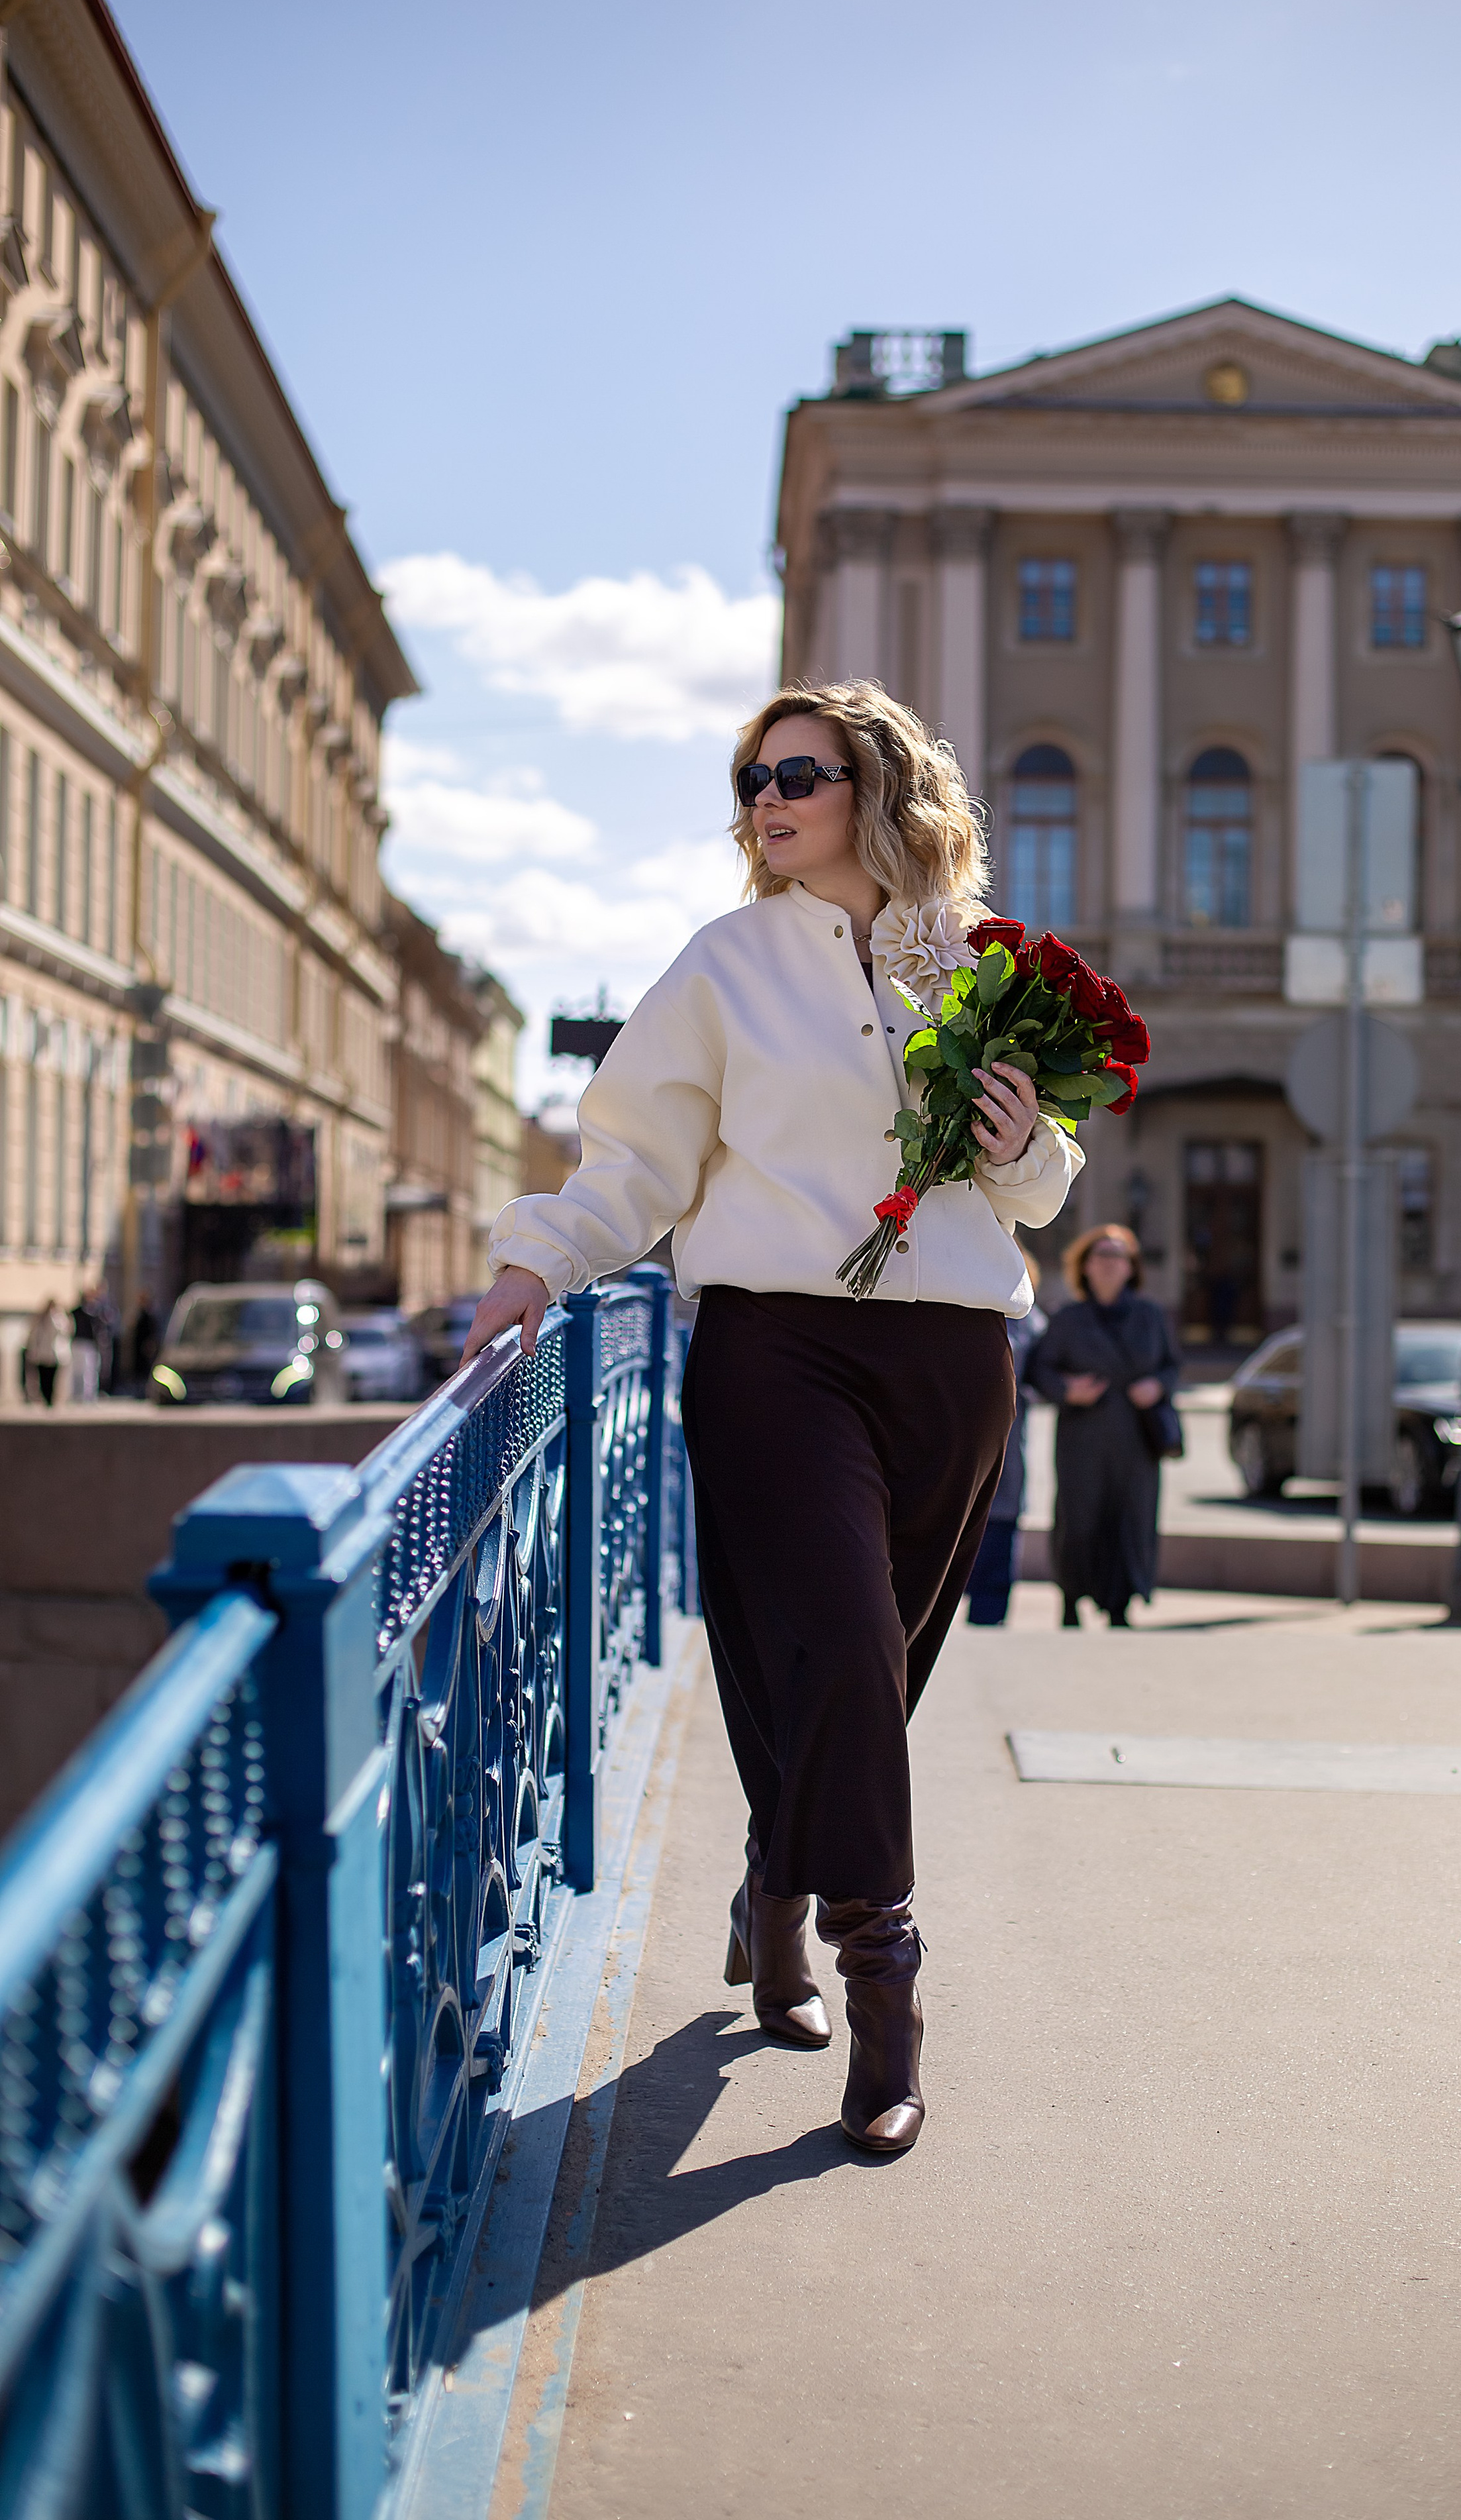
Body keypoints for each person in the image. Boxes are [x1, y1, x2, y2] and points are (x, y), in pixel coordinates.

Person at [460, 679, 1082, 2154]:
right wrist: (531, 1261)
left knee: (879, 1667)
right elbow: (631, 1164)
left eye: (794, 771)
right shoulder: (722, 967)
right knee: (845, 1646)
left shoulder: (977, 961)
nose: (764, 798)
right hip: (773, 1357)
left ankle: (774, 1887)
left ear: (874, 782)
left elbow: (1041, 1192)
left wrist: (1026, 1149)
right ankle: (889, 1994)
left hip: (952, 1364)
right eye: (747, 779)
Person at [1025, 1224, 1180, 1628]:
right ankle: (1072, 1600)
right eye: (1101, 1257)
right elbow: (1039, 1369)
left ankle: (1121, 1604)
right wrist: (1066, 1389)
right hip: (1083, 1437)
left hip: (1135, 1438)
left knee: (1132, 1516)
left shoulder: (1150, 1317)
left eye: (1118, 1257)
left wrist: (1157, 1385)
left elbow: (1171, 1365)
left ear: (1132, 1268)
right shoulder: (1068, 1320)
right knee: (1079, 1517)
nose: (1110, 1265)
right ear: (1085, 1267)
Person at [963, 1249, 1046, 1626]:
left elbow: (1047, 1375)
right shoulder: (956, 1314)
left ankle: (989, 1621)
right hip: (955, 1448)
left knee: (998, 1534)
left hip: (1005, 1451)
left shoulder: (1032, 1325)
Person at [25, 1299, 69, 1408]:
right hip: (42, 1354)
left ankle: (51, 1398)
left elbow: (64, 1332)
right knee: (43, 1377)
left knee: (52, 1378)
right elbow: (34, 1335)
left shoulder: (60, 1318)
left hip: (55, 1354)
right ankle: (45, 1397)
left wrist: (55, 1317)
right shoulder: (39, 1320)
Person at [68, 1288, 103, 1403]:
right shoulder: (78, 1311)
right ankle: (76, 1395)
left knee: (89, 1371)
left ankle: (88, 1396)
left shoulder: (96, 1311)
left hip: (90, 1344)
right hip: (79, 1342)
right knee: (77, 1371)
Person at [128, 1292, 160, 1391]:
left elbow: (152, 1331)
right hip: (138, 1345)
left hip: (145, 1346)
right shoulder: (140, 1313)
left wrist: (151, 1344)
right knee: (138, 1368)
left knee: (145, 1368)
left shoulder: (149, 1314)